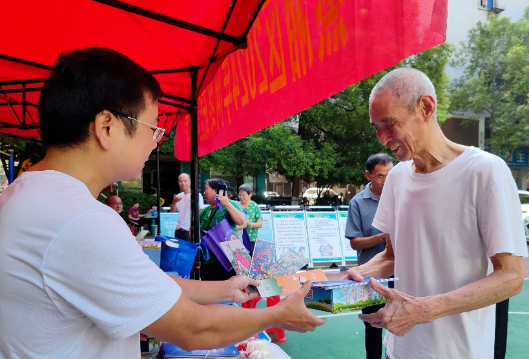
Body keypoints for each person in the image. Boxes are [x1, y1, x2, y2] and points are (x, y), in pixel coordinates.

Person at [0, 47, 325, 359]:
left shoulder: (25, 198)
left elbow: (146, 284)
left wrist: (227, 290)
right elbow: (193, 329)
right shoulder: (80, 220)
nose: (156, 142)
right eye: (153, 128)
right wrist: (277, 314)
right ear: (106, 127)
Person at [343, 68, 527, 359]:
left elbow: (513, 276)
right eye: (376, 127)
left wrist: (424, 310)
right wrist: (354, 275)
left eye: (389, 123)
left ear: (425, 108)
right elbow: (392, 256)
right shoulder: (397, 178)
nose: (382, 138)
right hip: (399, 349)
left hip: (460, 352)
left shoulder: (485, 172)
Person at [345, 153, 393, 359]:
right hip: (370, 276)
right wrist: (382, 237)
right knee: (373, 326)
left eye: (390, 175)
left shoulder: (401, 197)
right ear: (368, 175)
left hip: (399, 273)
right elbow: (355, 241)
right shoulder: (358, 202)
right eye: (381, 176)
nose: (386, 181)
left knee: (400, 322)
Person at [200, 178, 247, 281]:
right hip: (207, 259)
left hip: (225, 259)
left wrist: (226, 203)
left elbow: (242, 221)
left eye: (206, 189)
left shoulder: (229, 206)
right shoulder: (205, 210)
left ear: (216, 191)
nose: (204, 192)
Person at [170, 173, 204, 241]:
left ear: (190, 182)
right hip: (178, 229)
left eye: (185, 181)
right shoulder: (179, 195)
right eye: (180, 181)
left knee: (188, 250)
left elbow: (200, 211)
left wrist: (193, 227)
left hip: (188, 230)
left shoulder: (196, 195)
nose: (183, 183)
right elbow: (172, 210)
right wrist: (174, 201)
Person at [236, 184, 263, 254]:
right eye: (239, 195)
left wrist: (250, 224)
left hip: (251, 239)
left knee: (249, 262)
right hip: (237, 239)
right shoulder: (236, 205)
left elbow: (260, 224)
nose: (241, 197)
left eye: (243, 195)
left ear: (250, 195)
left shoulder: (255, 206)